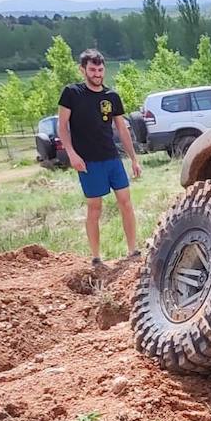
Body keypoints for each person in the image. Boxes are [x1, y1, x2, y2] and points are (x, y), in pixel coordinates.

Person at [57, 48, 142, 267]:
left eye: (100, 69)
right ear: (82, 70)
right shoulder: (71, 93)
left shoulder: (111, 96)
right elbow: (62, 126)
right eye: (92, 69)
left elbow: (122, 129)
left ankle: (133, 251)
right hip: (88, 161)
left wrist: (133, 158)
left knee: (126, 202)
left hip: (112, 159)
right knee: (95, 207)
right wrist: (72, 154)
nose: (97, 74)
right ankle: (96, 257)